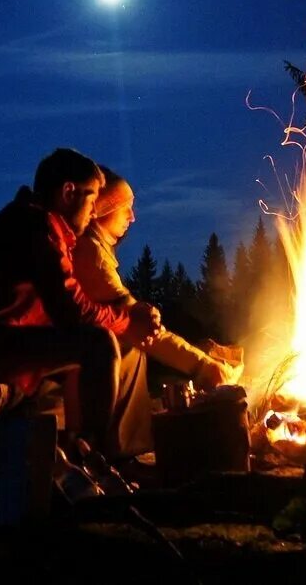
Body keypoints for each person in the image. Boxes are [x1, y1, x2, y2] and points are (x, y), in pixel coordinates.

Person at [0, 148, 162, 458]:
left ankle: (78, 447)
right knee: (97, 344)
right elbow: (72, 311)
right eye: (91, 199)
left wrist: (122, 318)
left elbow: (65, 305)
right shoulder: (36, 227)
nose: (93, 211)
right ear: (68, 192)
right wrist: (127, 319)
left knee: (92, 345)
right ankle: (95, 456)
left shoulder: (35, 224)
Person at [72, 165, 242, 456]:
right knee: (127, 345)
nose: (132, 217)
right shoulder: (91, 256)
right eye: (125, 208)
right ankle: (121, 453)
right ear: (102, 210)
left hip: (79, 352)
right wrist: (203, 366)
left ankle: (122, 448)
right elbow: (144, 332)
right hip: (78, 361)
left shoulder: (96, 250)